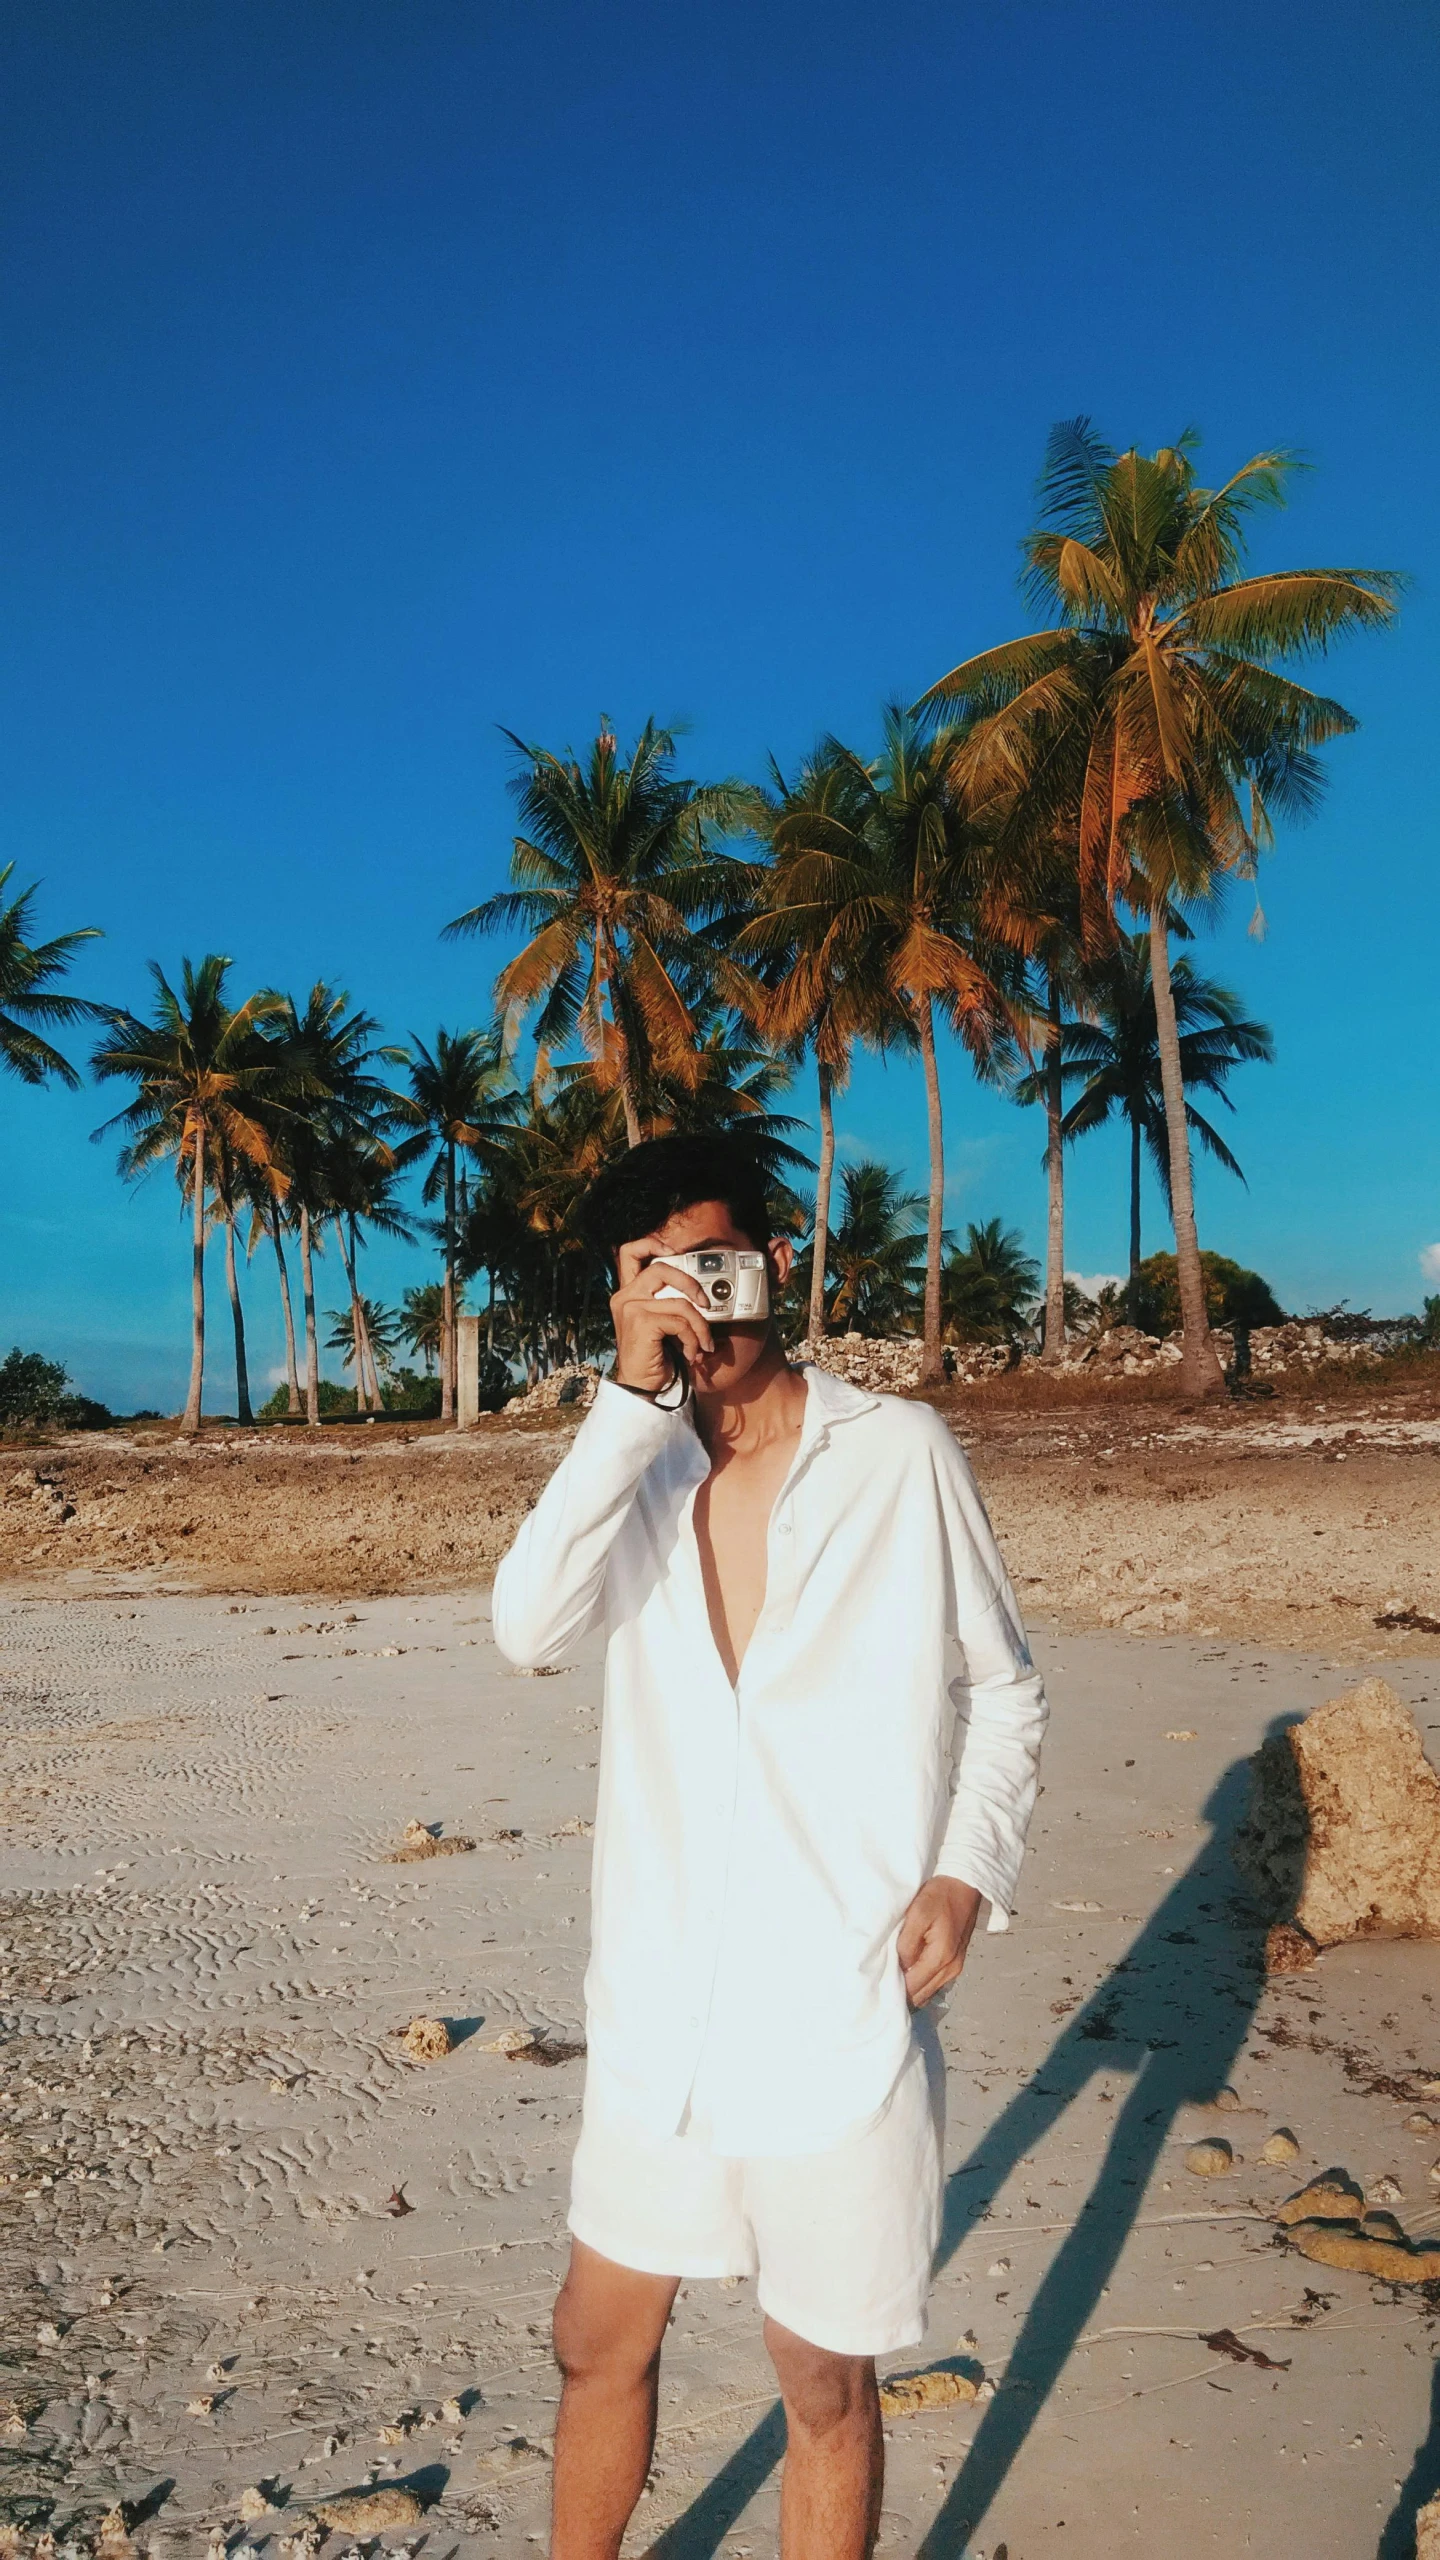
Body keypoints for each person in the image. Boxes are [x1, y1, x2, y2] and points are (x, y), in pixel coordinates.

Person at [491, 1133, 1049, 2560]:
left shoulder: (898, 1455)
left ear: (777, 1265)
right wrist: (625, 1402)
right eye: (668, 1277)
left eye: (723, 1265)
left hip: (837, 2010)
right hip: (661, 2014)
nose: (707, 1303)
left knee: (822, 2385)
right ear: (626, 1294)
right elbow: (526, 1632)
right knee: (593, 2338)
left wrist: (966, 1871)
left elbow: (1005, 1686)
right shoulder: (632, 1474)